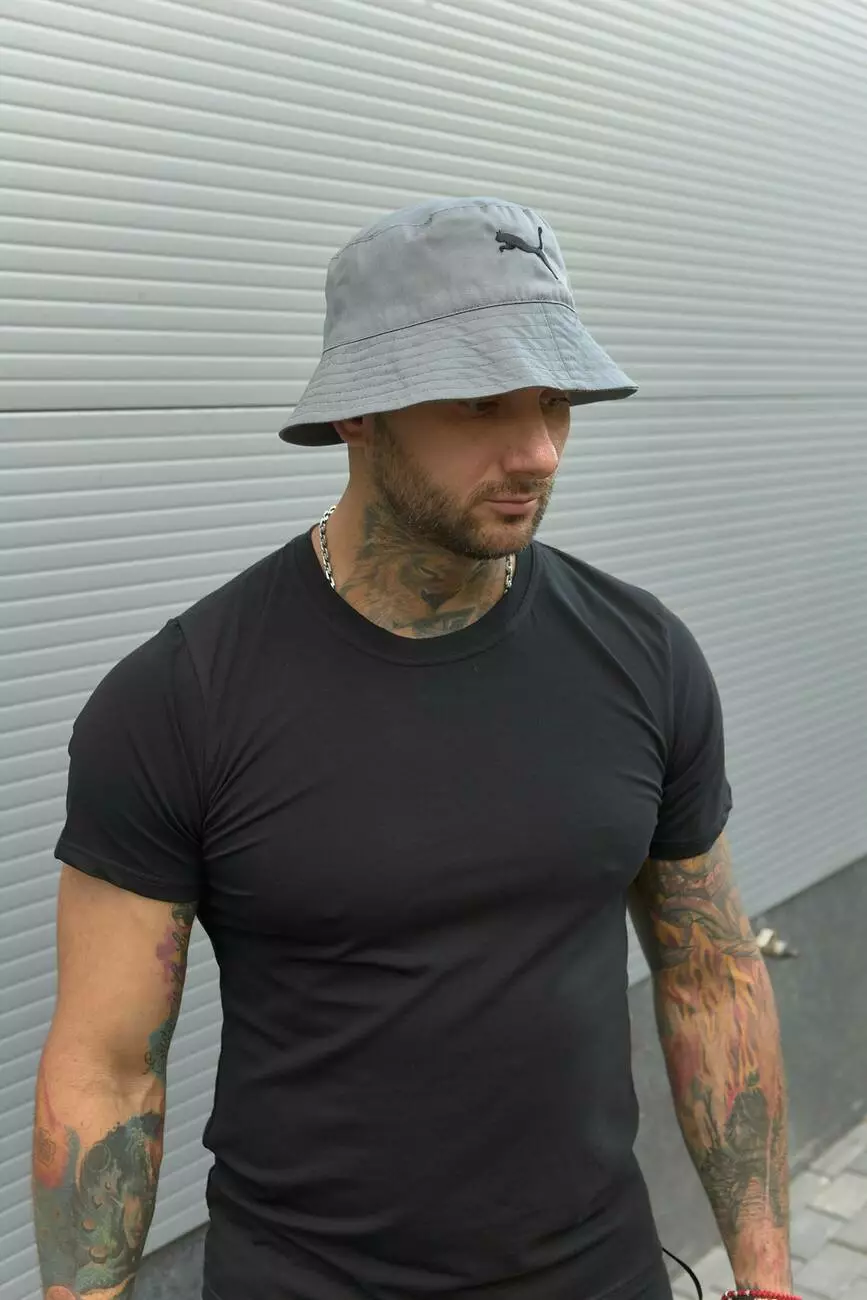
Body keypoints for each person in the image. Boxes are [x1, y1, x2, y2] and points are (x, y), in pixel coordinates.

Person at [33, 197, 793, 1300]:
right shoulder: (178, 702)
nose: (537, 449)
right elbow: (106, 1073)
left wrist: (765, 1275)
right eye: (482, 402)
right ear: (359, 413)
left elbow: (710, 971)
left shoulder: (643, 655)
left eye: (554, 399)